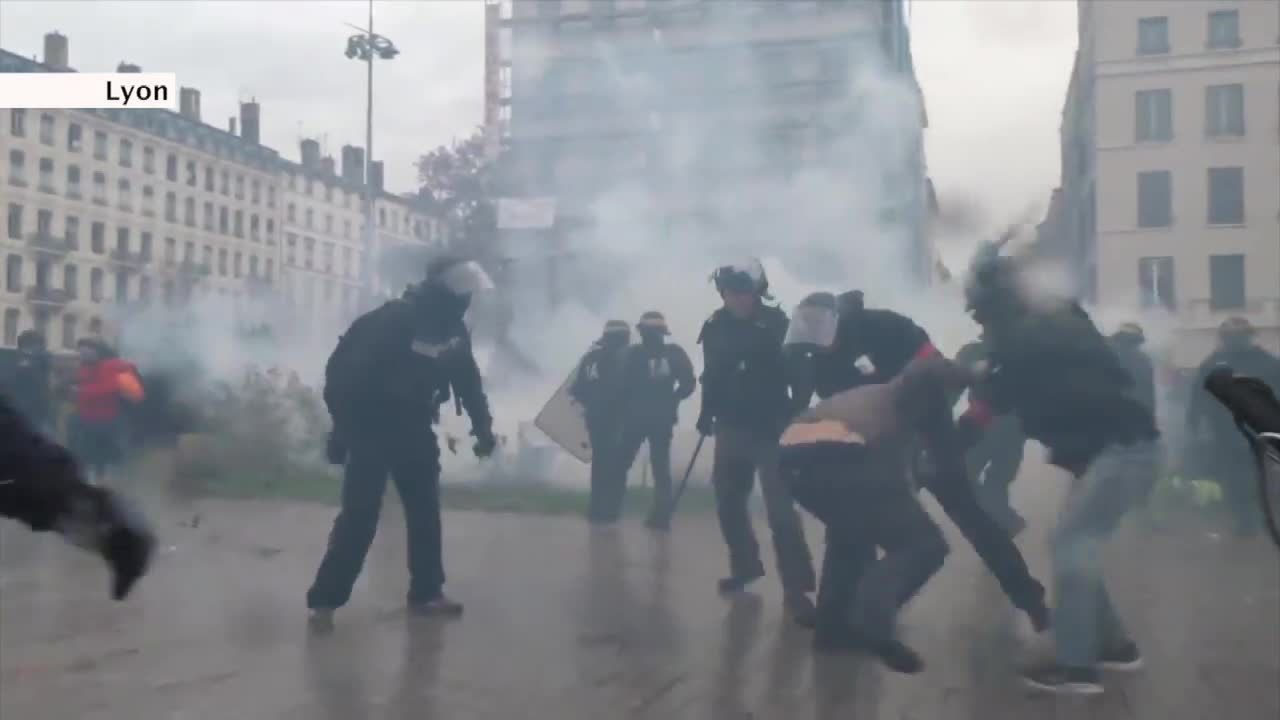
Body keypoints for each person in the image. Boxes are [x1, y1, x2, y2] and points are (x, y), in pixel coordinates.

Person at [783, 295, 1048, 650]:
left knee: (969, 514)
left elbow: (937, 373)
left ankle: (1031, 600)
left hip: (928, 425)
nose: (820, 344)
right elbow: (846, 411)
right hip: (880, 443)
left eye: (822, 332)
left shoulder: (886, 327)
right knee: (852, 525)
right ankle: (837, 623)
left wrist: (952, 435)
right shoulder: (819, 362)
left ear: (838, 319)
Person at [961, 235, 1161, 694]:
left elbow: (998, 388)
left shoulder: (1027, 333)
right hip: (1113, 451)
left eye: (979, 309)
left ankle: (1077, 668)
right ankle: (1115, 646)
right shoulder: (1048, 322)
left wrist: (969, 395)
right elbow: (999, 395)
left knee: (1072, 546)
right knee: (1077, 548)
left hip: (1122, 447)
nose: (977, 320)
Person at [308, 256, 498, 630]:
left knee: (425, 513)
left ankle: (427, 593)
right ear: (442, 285)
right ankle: (325, 599)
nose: (467, 297)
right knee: (360, 517)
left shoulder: (453, 330)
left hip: (414, 427)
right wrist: (343, 430)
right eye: (461, 287)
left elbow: (468, 383)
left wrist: (484, 429)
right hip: (372, 428)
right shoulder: (394, 320)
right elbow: (345, 377)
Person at [778, 355, 990, 673]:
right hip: (837, 461)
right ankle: (867, 619)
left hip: (794, 465)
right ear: (929, 396)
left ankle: (833, 632)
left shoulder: (881, 393)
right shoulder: (892, 416)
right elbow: (896, 480)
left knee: (851, 536)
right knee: (924, 545)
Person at [697, 259, 817, 625]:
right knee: (728, 501)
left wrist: (795, 414)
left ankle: (797, 589)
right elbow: (711, 375)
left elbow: (801, 376)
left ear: (757, 292)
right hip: (731, 426)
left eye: (743, 292)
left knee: (780, 511)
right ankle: (746, 565)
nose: (736, 299)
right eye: (730, 293)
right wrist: (706, 412)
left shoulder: (778, 325)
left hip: (771, 429)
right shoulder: (715, 327)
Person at [0, 393, 155, 600]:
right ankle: (114, 528)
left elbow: (135, 394)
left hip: (96, 425)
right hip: (97, 425)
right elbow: (135, 395)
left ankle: (117, 532)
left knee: (33, 486)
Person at [1187, 317, 1280, 537]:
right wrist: (1194, 422)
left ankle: (1250, 518)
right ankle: (1248, 519)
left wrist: (1193, 423)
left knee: (1246, 475)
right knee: (1241, 475)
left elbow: (1197, 398)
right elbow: (1198, 397)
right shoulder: (1216, 363)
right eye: (1231, 337)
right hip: (1232, 431)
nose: (1234, 341)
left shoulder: (1267, 362)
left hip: (1249, 430)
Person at [614, 311, 696, 530]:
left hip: (638, 417)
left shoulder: (632, 355)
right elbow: (688, 383)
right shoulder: (673, 354)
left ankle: (612, 509)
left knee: (623, 463)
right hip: (658, 418)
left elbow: (621, 386)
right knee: (659, 467)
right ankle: (660, 515)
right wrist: (673, 399)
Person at [954, 337, 1027, 536]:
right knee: (990, 483)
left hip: (993, 427)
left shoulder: (974, 351)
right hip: (1005, 428)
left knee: (980, 480)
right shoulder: (975, 351)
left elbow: (952, 389)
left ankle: (1004, 525)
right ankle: (1005, 524)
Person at [570, 319, 633, 525]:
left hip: (596, 418)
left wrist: (592, 403)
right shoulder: (628, 357)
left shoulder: (590, 359)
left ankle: (596, 509)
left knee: (599, 463)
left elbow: (578, 389)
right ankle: (612, 510)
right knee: (617, 465)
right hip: (619, 418)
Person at [69, 338, 146, 485]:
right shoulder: (84, 367)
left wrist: (81, 392)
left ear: (97, 351)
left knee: (106, 455)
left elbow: (110, 388)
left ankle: (106, 485)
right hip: (87, 418)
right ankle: (94, 482)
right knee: (90, 455)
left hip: (108, 419)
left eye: (87, 349)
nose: (82, 353)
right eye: (80, 350)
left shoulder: (111, 366)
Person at [3, 330, 54, 432]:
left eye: (36, 345)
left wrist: (30, 365)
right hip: (17, 407)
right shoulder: (12, 359)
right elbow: (7, 381)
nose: (32, 349)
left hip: (36, 408)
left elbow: (42, 382)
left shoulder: (43, 360)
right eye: (28, 345)